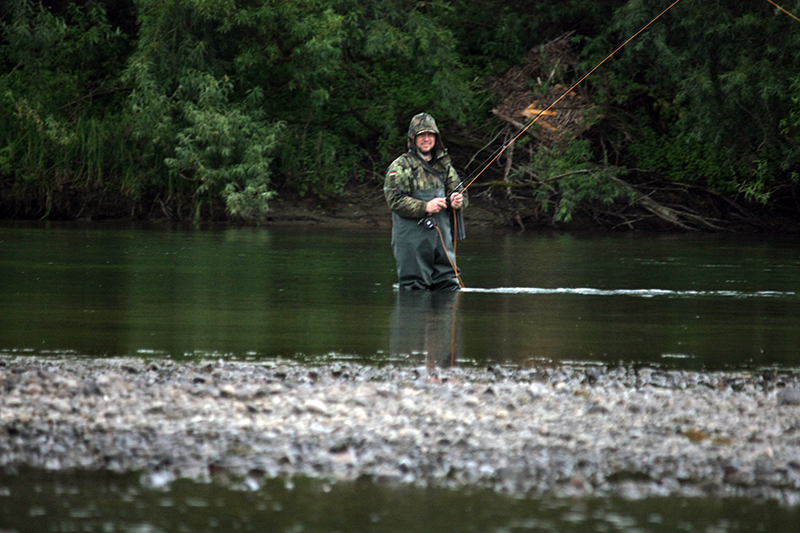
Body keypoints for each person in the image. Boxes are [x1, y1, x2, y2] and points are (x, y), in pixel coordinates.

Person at [384, 112, 467, 291]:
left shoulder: (445, 166)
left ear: (436, 138)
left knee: (449, 286)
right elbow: (394, 201)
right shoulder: (401, 166)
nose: (426, 139)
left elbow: (462, 195)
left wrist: (457, 202)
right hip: (412, 243)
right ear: (413, 138)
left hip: (442, 241)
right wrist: (425, 206)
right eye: (422, 135)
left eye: (430, 134)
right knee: (414, 287)